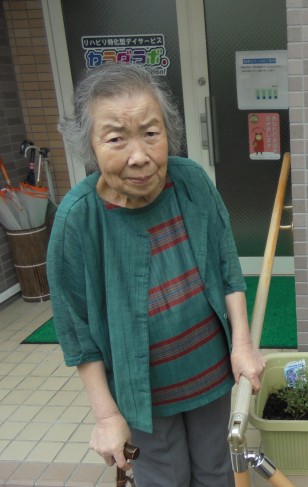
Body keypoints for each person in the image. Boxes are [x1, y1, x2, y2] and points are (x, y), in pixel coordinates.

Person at [47, 62, 266, 486]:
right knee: (164, 480)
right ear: (91, 147)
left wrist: (242, 344)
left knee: (216, 472)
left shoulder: (191, 182)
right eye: (116, 138)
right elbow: (76, 331)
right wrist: (107, 415)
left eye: (151, 132)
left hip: (209, 373)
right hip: (141, 392)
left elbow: (226, 266)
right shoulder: (78, 219)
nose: (140, 156)